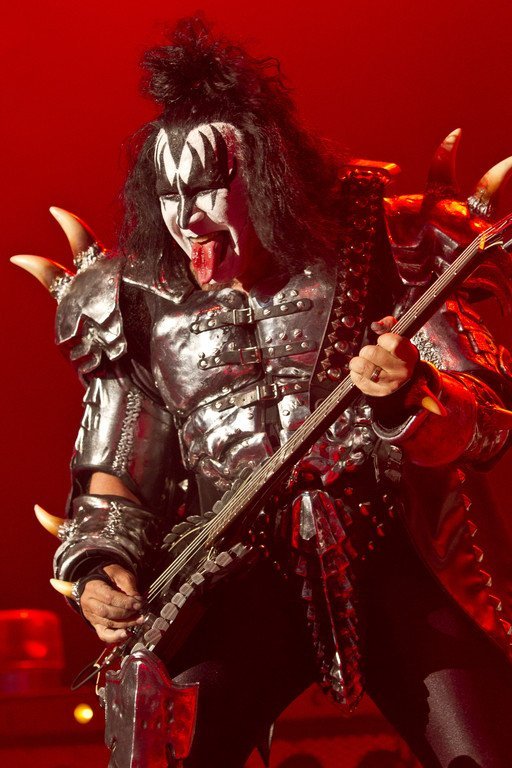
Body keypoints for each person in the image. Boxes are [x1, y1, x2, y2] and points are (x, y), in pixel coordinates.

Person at [14, 16, 512, 768]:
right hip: (240, 575)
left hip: (395, 554)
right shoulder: (136, 300)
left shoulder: (388, 236)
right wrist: (97, 568)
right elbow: (118, 476)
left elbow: (488, 423)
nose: (187, 217)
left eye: (208, 187)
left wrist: (409, 396)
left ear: (268, 173)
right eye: (169, 193)